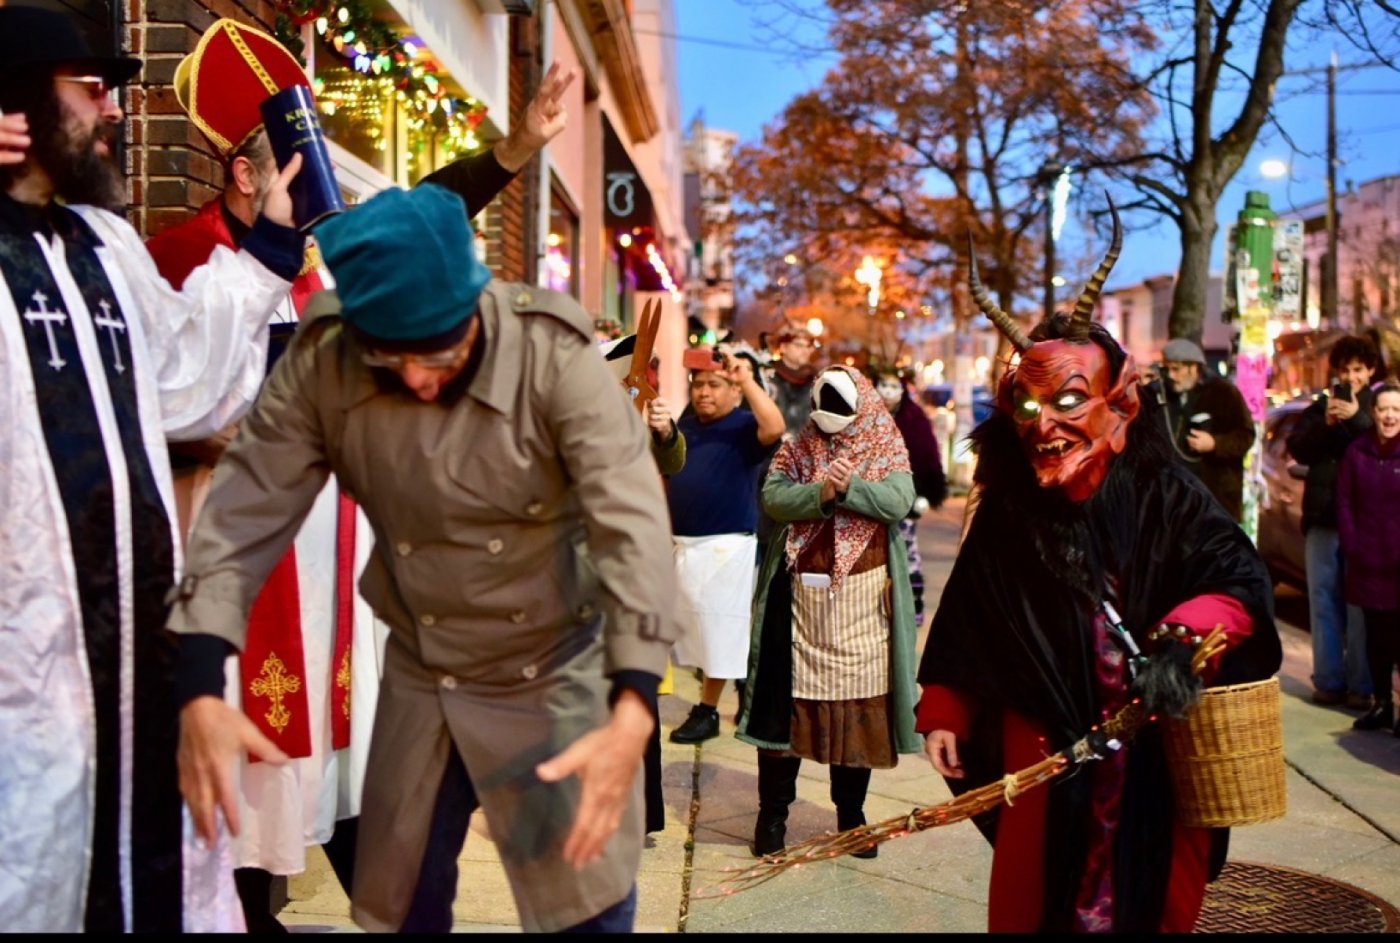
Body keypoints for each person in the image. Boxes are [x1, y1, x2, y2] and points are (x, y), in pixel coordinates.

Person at [142, 18, 575, 929]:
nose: (325, 189)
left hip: (336, 559)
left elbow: (426, 208)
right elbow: (158, 403)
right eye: (303, 168)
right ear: (245, 173)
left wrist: (517, 148)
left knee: (347, 758)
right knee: (256, 768)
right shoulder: (184, 257)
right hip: (246, 553)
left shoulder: (317, 254)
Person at [167, 183, 679, 933]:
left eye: (438, 349)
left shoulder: (551, 354)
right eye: (389, 354)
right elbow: (243, 512)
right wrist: (199, 680)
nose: (415, 375)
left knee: (583, 902)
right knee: (398, 901)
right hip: (423, 661)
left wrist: (633, 701)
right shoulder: (329, 357)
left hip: (553, 662)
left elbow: (631, 525)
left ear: (473, 303)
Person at [0, 5, 308, 931]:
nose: (114, 111)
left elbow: (189, 379)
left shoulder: (106, 245)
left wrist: (272, 240)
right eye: (92, 90)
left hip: (140, 667)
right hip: (27, 681)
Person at [917, 218, 1281, 933]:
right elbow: (972, 615)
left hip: (1151, 745)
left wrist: (1184, 638)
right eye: (1028, 406)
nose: (1043, 425)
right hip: (1042, 741)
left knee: (1153, 894)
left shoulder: (1166, 495)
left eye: (1067, 401)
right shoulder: (1008, 510)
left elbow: (1237, 581)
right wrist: (947, 710)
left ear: (1122, 401)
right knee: (1036, 894)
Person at [737, 366, 919, 859]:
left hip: (864, 606)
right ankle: (772, 817)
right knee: (785, 710)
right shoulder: (800, 447)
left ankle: (850, 818)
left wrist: (852, 487)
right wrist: (820, 493)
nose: (828, 414)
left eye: (839, 404)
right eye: (823, 404)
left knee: (857, 711)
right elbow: (774, 497)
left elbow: (898, 500)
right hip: (799, 601)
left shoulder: (884, 442)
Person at [667, 346, 786, 744]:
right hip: (683, 545)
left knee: (719, 632)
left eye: (714, 385)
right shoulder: (686, 426)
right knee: (691, 631)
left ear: (732, 391)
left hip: (726, 547)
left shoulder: (744, 425)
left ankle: (708, 709)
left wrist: (745, 379)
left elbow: (775, 426)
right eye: (698, 384)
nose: (704, 392)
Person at [1285, 334, 1379, 710]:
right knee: (1323, 599)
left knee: (1360, 605)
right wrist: (1326, 424)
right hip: (1323, 518)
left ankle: (1361, 684)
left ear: (1370, 371)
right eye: (1345, 370)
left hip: (1364, 521)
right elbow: (1298, 448)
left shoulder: (1380, 408)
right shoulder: (1320, 408)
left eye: (1358, 370)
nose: (1351, 377)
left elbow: (1381, 445)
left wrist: (1356, 417)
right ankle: (1328, 680)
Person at [1336, 385, 1400, 734]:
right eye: (1384, 409)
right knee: (1376, 638)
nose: (1389, 416)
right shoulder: (1357, 452)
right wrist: (1353, 544)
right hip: (1369, 562)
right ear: (1373, 412)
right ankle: (1382, 704)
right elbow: (1345, 500)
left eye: (1396, 410)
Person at [870, 363, 947, 625]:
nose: (888, 392)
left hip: (904, 499)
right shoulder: (864, 416)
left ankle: (912, 608)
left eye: (894, 386)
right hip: (869, 498)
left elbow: (927, 456)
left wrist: (923, 492)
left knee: (906, 551)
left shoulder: (914, 420)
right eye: (883, 385)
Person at [1154, 337, 1255, 521]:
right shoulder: (1163, 394)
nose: (1171, 376)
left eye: (1176, 369)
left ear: (1193, 367)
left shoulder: (1224, 393)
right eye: (1167, 369)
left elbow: (1245, 436)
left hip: (1215, 497)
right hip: (1175, 500)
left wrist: (1215, 444)